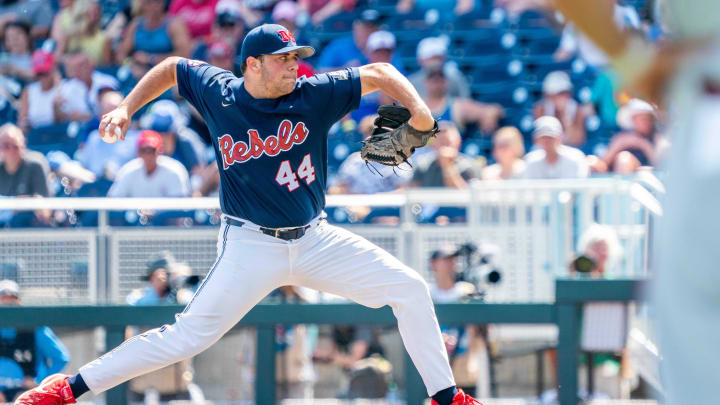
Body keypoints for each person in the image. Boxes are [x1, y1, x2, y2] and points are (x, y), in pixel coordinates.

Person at [15, 23, 482, 405]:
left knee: (410, 289)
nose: (294, 65)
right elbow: (173, 68)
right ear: (253, 65)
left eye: (296, 57)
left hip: (316, 239)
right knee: (186, 337)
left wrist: (419, 112)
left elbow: (379, 71)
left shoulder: (313, 93)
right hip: (250, 243)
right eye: (284, 59)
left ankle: (447, 397)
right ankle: (68, 389)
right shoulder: (220, 92)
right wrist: (125, 107)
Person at [428, 246, 490, 398]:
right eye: (446, 259)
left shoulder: (467, 291)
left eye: (453, 259)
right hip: (435, 371)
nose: (452, 263)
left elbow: (482, 333)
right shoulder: (427, 293)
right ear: (433, 264)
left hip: (464, 370)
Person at [0, 280, 70, 402]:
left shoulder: (34, 329)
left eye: (12, 299)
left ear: (19, 302)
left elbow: (60, 358)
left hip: (25, 391)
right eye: (3, 299)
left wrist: (40, 381)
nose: (8, 303)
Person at [423, 66, 504, 136]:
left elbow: (494, 109)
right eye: (433, 79)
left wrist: (490, 115)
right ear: (426, 82)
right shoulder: (419, 108)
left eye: (439, 79)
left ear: (445, 81)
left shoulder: (456, 106)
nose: (436, 83)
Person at [107, 130, 191, 198]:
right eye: (144, 151)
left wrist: (156, 215)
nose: (148, 156)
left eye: (151, 151)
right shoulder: (128, 171)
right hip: (135, 218)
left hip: (167, 218)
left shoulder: (174, 170)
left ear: (160, 151)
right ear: (138, 152)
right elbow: (114, 200)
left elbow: (180, 208)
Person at [0, 124, 51, 227]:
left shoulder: (35, 164)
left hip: (27, 234)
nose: (11, 151)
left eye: (15, 146)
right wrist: (14, 204)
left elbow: (44, 212)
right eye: (6, 146)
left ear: (23, 146)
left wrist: (25, 204)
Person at [599, 98, 667, 173]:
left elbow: (661, 166)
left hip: (646, 176)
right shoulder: (622, 137)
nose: (645, 122)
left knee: (625, 160)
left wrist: (644, 145)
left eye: (647, 119)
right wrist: (619, 144)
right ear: (633, 120)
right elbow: (604, 163)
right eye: (641, 119)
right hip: (619, 174)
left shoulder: (657, 138)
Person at [116, 0, 192, 65]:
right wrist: (130, 65)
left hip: (167, 72)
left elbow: (184, 55)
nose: (153, 6)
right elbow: (121, 54)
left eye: (157, 2)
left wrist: (151, 59)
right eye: (148, 2)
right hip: (138, 71)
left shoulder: (174, 24)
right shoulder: (136, 25)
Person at [411, 121, 482, 188]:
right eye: (440, 142)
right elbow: (413, 192)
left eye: (447, 142)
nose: (444, 147)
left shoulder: (469, 166)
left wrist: (447, 166)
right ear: (432, 144)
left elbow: (464, 196)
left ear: (458, 142)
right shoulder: (423, 166)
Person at [533, 71, 591, 147]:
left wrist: (565, 116)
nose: (561, 97)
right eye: (558, 93)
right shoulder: (540, 108)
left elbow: (577, 140)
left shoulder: (577, 110)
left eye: (564, 93)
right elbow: (539, 140)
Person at [523, 116, 589, 179]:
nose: (547, 141)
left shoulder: (575, 158)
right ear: (536, 140)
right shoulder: (531, 161)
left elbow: (578, 188)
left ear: (560, 138)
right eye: (543, 137)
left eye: (550, 137)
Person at [51, 0, 112, 66]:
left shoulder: (105, 39)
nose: (92, 17)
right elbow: (56, 58)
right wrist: (70, 60)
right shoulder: (69, 36)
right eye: (88, 14)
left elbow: (106, 68)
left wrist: (88, 64)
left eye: (95, 14)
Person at [61, 51, 119, 117]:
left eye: (82, 65)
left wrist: (86, 117)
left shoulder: (107, 81)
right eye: (75, 67)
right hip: (80, 126)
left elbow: (113, 109)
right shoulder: (66, 88)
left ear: (91, 64)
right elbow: (63, 115)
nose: (81, 69)